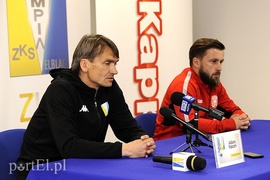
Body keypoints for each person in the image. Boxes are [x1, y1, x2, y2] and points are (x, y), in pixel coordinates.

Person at [16, 34, 156, 179]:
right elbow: (69, 146)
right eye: (107, 63)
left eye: (115, 63)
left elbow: (127, 127)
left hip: (83, 166)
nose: (114, 70)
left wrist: (142, 140)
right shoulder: (60, 91)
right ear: (85, 65)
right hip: (43, 169)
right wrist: (124, 149)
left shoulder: (109, 87)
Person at [153, 38, 250, 141]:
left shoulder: (213, 81)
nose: (219, 68)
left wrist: (241, 118)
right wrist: (230, 124)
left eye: (221, 62)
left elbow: (232, 109)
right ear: (196, 62)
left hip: (202, 138)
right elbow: (189, 124)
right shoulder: (183, 84)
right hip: (172, 142)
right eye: (213, 61)